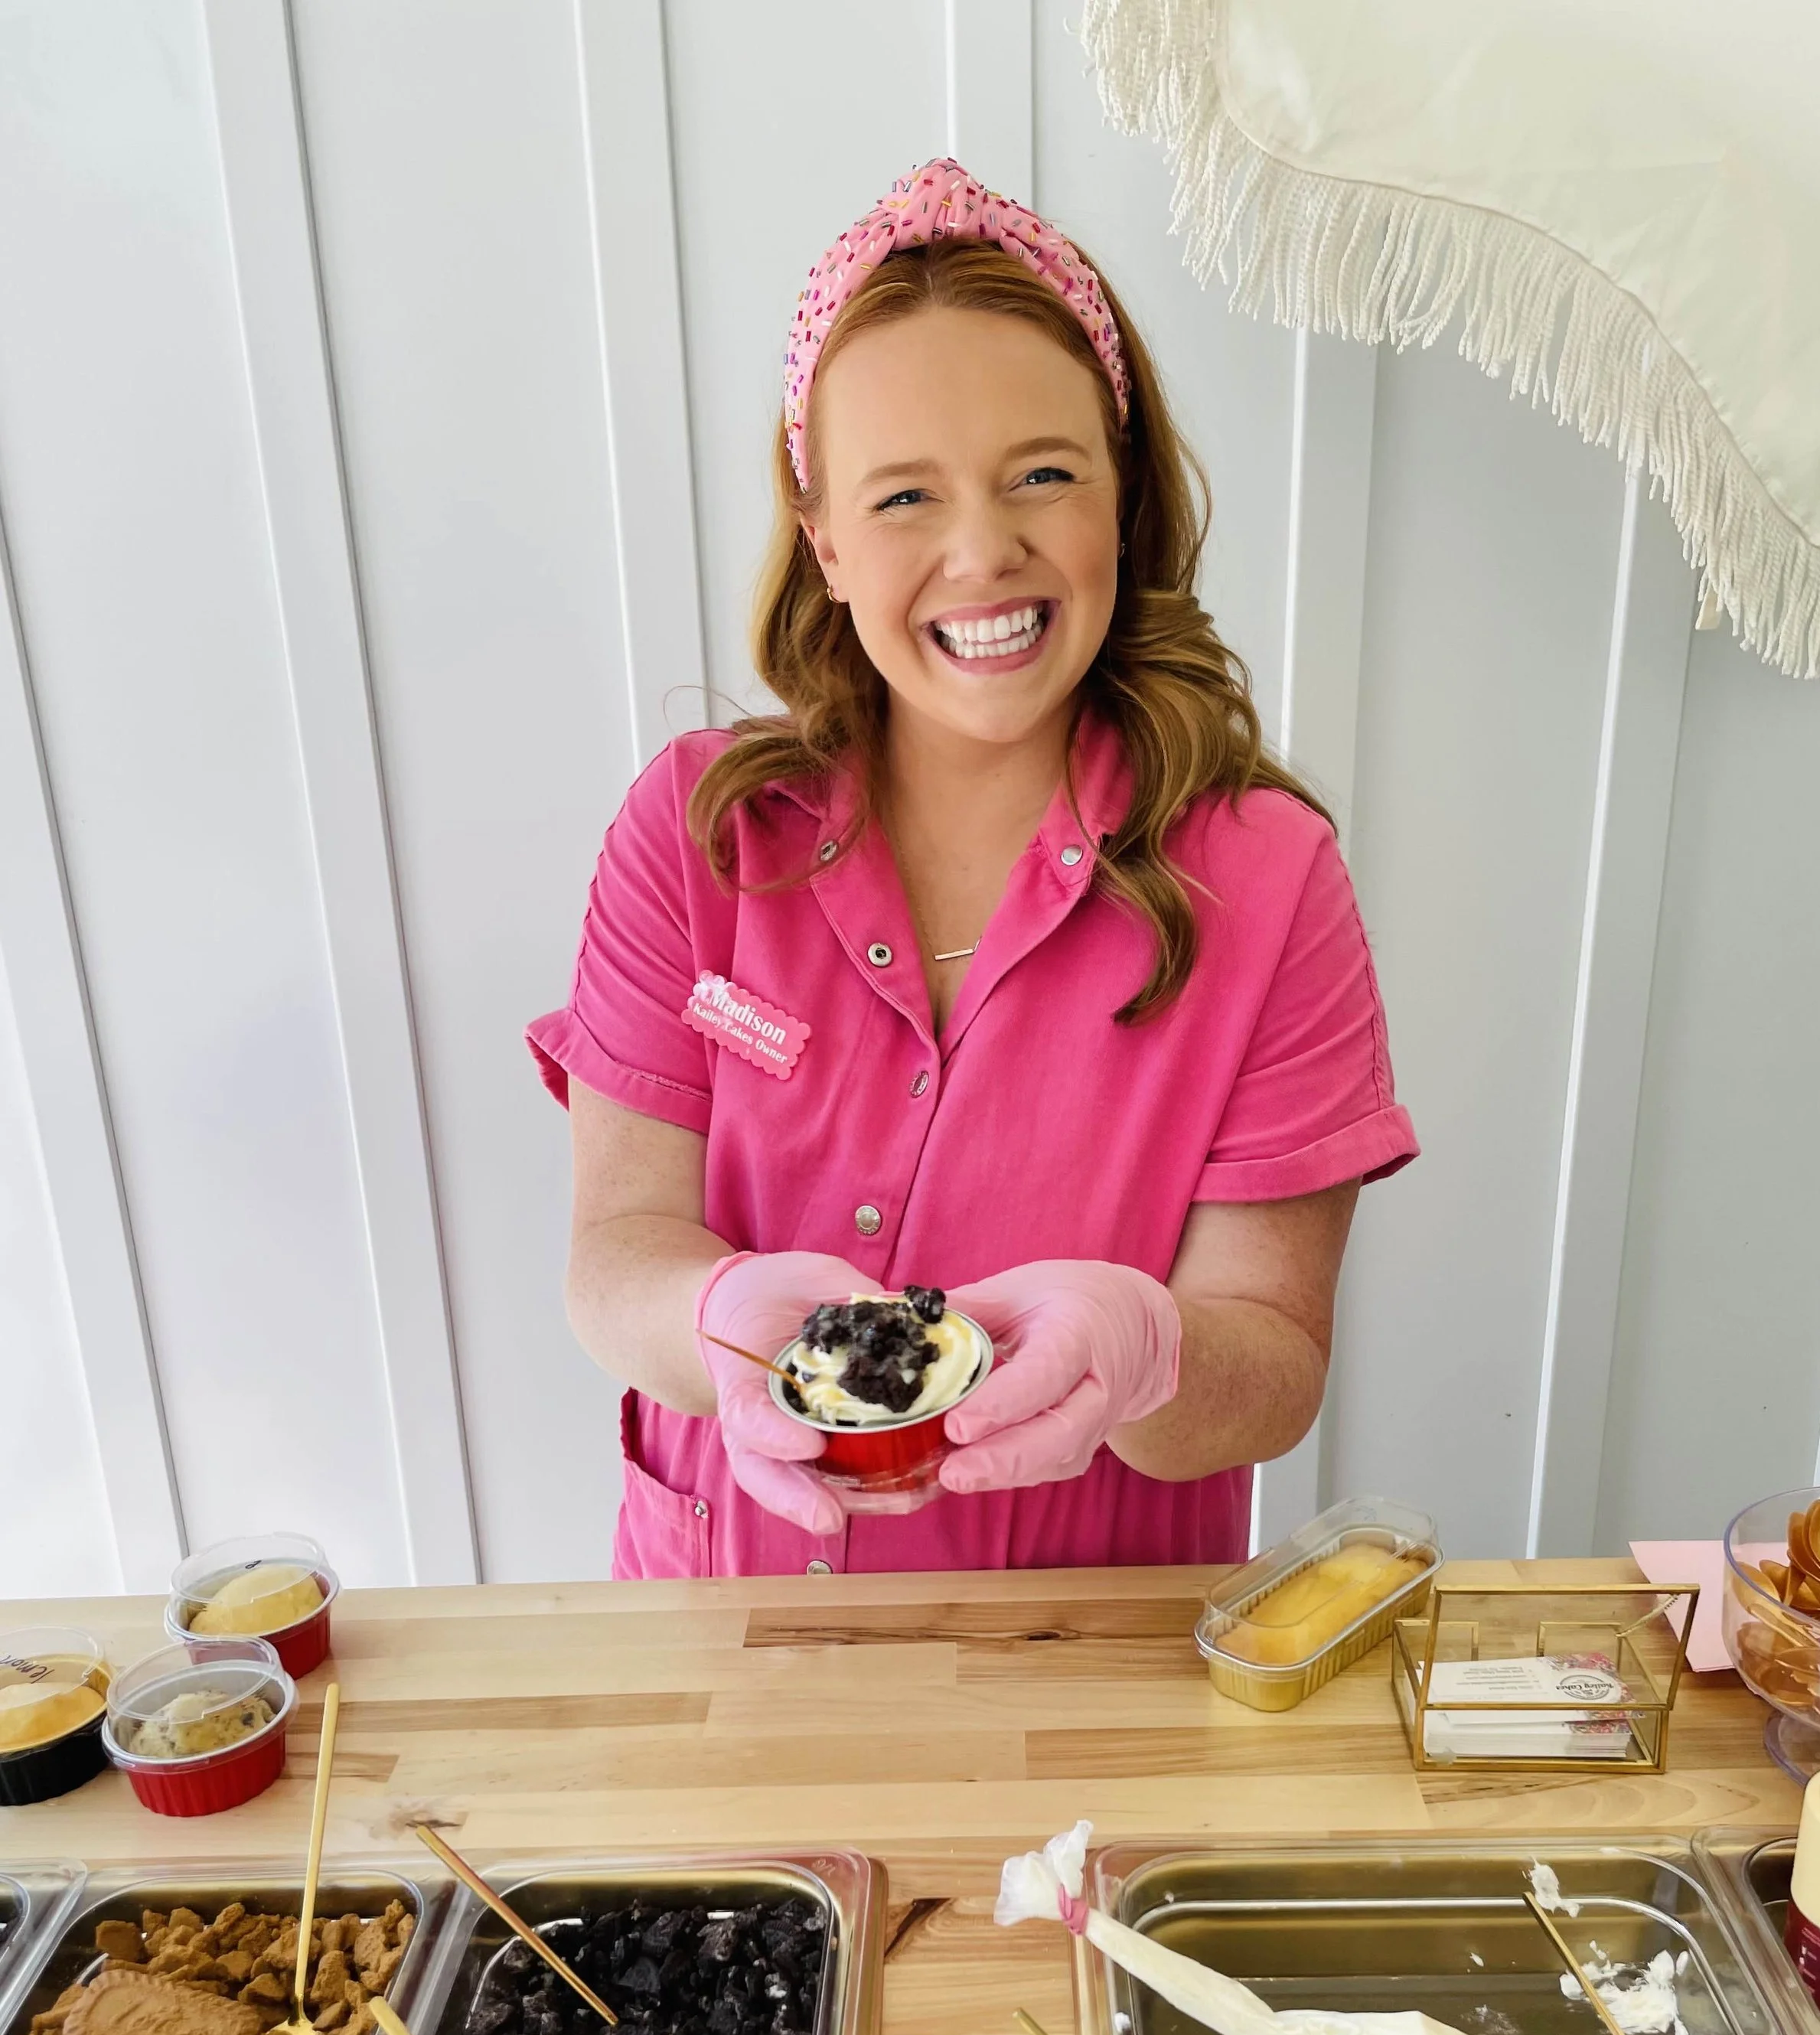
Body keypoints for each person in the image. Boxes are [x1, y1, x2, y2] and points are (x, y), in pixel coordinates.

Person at [528, 161, 1417, 1580]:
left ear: (1120, 496)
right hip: (715, 1639)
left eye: (1041, 476)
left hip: (1086, 1672)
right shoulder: (693, 835)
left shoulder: (1269, 879)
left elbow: (1278, 1362)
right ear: (823, 541)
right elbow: (614, 1250)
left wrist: (1149, 1353)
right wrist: (719, 1317)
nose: (981, 553)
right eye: (903, 498)